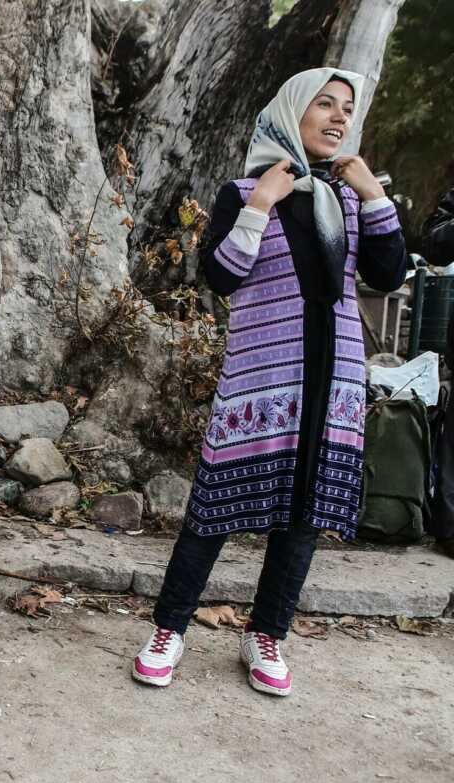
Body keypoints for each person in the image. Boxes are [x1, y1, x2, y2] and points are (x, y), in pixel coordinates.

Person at [130, 68, 407, 696]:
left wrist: (373, 197)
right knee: (215, 511)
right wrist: (259, 206)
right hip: (262, 386)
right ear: (290, 111)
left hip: (331, 384)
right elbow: (223, 276)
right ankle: (169, 629)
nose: (338, 118)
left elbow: (387, 275)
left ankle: (267, 634)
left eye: (347, 109)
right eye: (325, 105)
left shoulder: (347, 199)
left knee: (303, 518)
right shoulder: (241, 191)